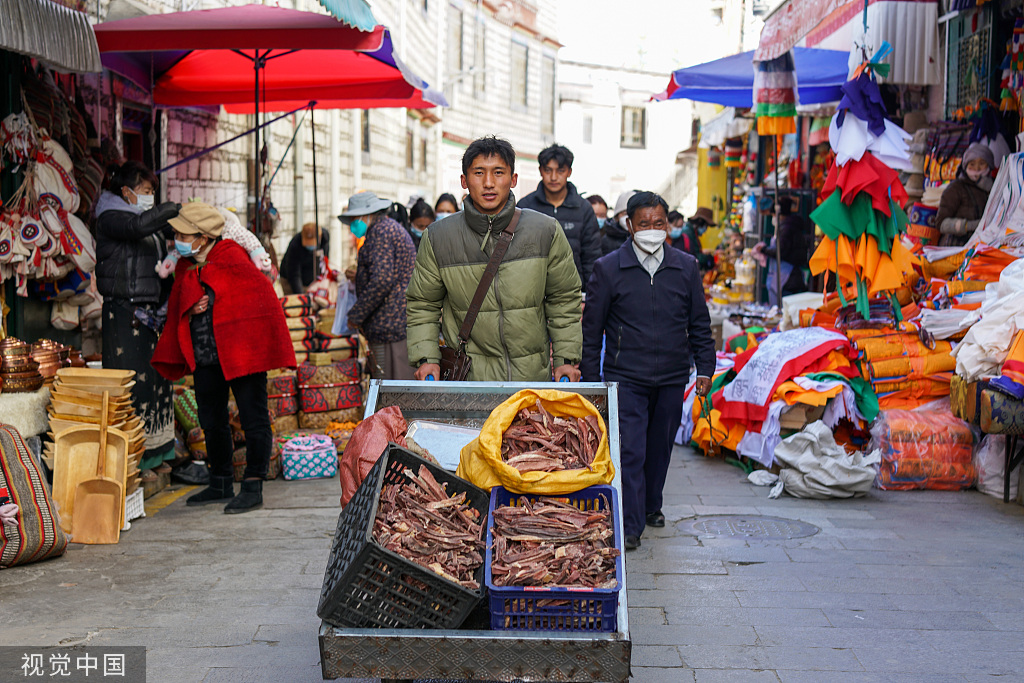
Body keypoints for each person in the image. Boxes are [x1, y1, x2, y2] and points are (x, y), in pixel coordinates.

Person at [581, 191, 715, 551]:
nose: (652, 230)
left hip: (672, 374)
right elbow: (591, 332)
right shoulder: (609, 268)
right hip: (627, 376)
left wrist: (705, 366)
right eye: (644, 224)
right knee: (631, 451)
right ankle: (631, 523)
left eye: (659, 223)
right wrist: (593, 382)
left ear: (668, 225)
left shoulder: (685, 266)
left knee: (660, 448)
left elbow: (699, 323)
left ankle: (652, 503)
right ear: (629, 225)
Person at [152, 203, 295, 514]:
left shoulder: (232, 256)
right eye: (176, 233)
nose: (177, 239)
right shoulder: (185, 265)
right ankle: (220, 481)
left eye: (183, 234)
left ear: (203, 237)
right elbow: (178, 305)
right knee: (211, 420)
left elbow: (255, 298)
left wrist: (213, 302)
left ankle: (253, 485)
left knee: (253, 417)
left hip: (243, 353)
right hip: (206, 355)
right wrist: (190, 307)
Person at [406, 135, 583, 382]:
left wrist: (566, 359)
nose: (489, 183)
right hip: (469, 382)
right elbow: (423, 305)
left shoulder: (545, 231)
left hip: (530, 381)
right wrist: (426, 359)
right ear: (464, 180)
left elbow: (564, 299)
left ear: (513, 179)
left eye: (498, 172)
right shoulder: (439, 238)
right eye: (479, 173)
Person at [94, 161, 181, 476]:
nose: (149, 197)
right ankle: (136, 458)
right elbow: (136, 228)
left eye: (152, 192)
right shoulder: (110, 217)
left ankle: (159, 452)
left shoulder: (147, 220)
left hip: (151, 312)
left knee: (157, 382)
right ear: (126, 191)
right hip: (124, 312)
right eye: (146, 191)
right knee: (133, 385)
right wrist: (172, 208)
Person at [338, 191, 418, 380]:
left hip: (390, 323)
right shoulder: (385, 229)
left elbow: (381, 280)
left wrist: (356, 315)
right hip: (393, 322)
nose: (353, 225)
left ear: (368, 214)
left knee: (392, 384)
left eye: (355, 218)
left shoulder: (381, 232)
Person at [517, 144, 602, 290]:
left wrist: (588, 295)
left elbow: (591, 257)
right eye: (548, 170)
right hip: (532, 290)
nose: (554, 177)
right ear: (540, 171)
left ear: (569, 172)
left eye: (560, 171)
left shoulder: (583, 209)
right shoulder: (525, 206)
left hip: (572, 290)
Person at [935, 142, 995, 247]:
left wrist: (991, 189)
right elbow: (941, 224)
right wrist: (969, 226)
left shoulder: (997, 186)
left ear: (989, 165)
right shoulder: (956, 188)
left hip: (985, 246)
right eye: (972, 164)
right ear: (966, 166)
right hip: (957, 247)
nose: (977, 169)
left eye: (981, 163)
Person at [753, 196, 809, 307]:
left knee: (785, 311)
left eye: (773, 215)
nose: (772, 217)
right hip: (791, 277)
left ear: (778, 214)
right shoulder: (789, 226)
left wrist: (764, 250)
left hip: (788, 279)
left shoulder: (787, 228)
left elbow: (781, 251)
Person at [279, 222, 329, 294]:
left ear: (319, 237)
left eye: (312, 243)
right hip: (291, 279)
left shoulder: (324, 239)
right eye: (307, 243)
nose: (310, 246)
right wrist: (302, 296)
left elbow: (324, 260)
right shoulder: (295, 245)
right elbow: (294, 274)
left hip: (312, 279)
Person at [601, 190, 635, 255]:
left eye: (632, 213)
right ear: (617, 216)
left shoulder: (642, 237)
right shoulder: (607, 240)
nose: (629, 217)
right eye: (625, 213)